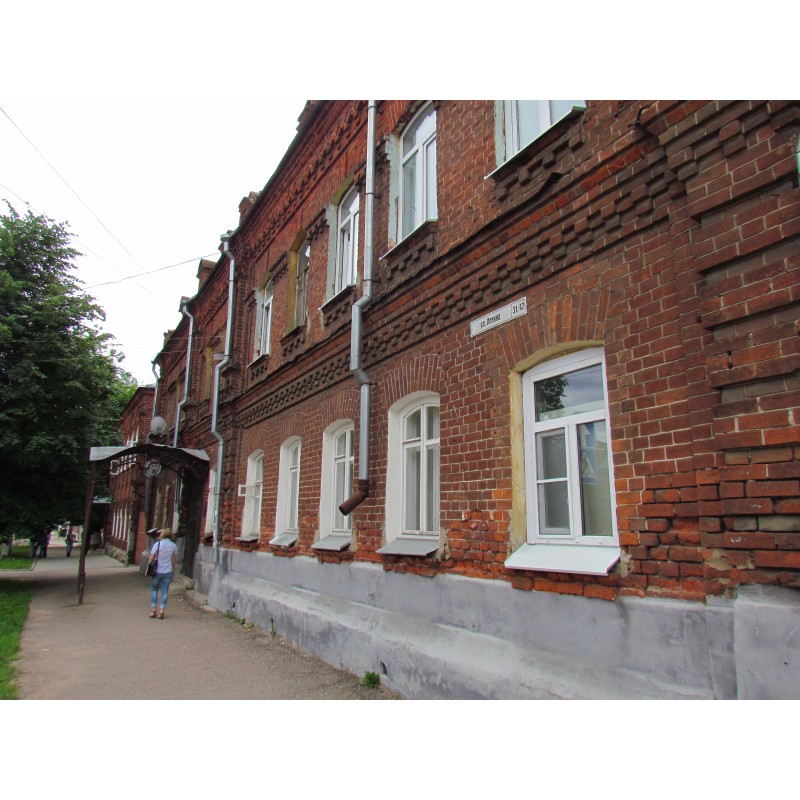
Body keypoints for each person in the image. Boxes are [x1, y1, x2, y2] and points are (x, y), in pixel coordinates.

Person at [147, 529, 177, 620]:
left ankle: (153, 610)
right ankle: (161, 611)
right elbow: (173, 560)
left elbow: (151, 558)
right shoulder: (174, 546)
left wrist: (148, 568)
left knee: (154, 590)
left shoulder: (157, 544)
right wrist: (173, 570)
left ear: (162, 535)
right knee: (165, 591)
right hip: (168, 570)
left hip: (157, 571)